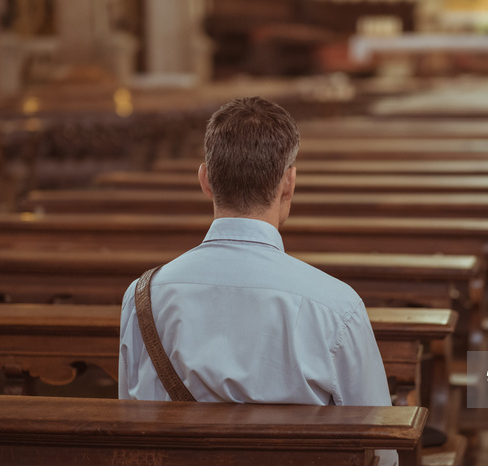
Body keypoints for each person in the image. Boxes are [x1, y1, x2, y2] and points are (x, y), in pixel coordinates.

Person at [118, 96, 396, 465]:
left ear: (205, 180)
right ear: (288, 183)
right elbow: (380, 448)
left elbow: (129, 427)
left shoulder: (142, 296)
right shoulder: (336, 307)